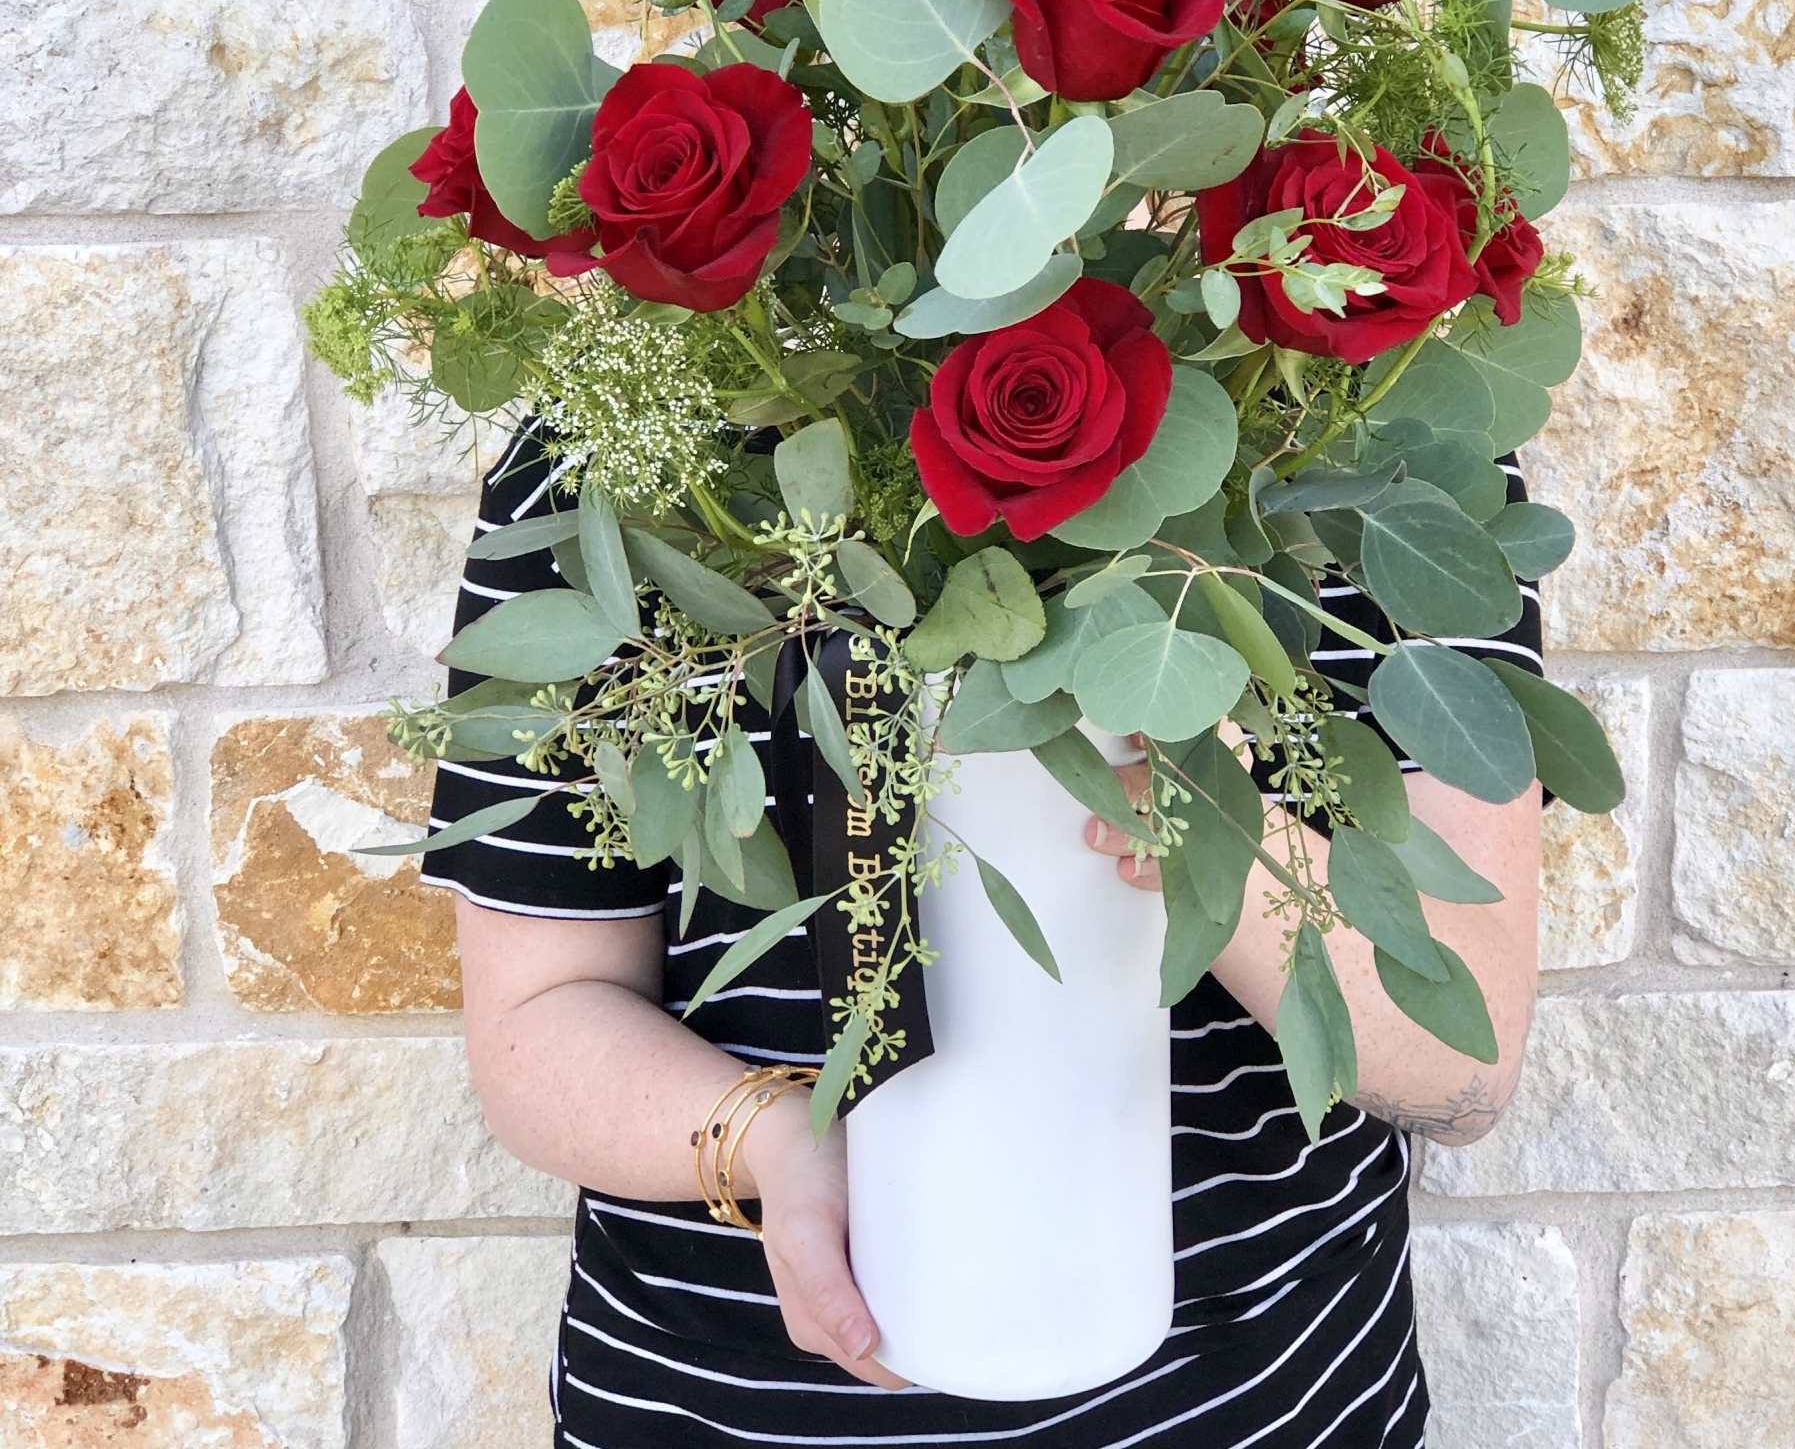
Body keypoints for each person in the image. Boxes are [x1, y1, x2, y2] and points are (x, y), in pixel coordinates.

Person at [426, 415, 1551, 1445]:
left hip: (1253, 1395)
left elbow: (1464, 1063)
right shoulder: (609, 463)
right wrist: (775, 1139)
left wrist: (1221, 836)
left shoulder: (1372, 453)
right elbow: (536, 1021)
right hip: (729, 1405)